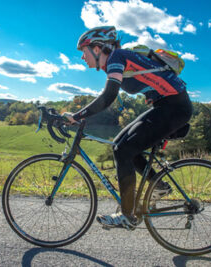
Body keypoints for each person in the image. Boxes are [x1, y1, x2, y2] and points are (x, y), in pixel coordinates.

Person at [63, 26, 193, 230]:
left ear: (97, 49)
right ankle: (158, 186)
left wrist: (77, 116)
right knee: (120, 146)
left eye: (83, 51)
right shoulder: (117, 61)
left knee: (123, 151)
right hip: (168, 106)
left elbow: (108, 96)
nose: (82, 57)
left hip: (174, 108)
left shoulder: (117, 57)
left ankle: (127, 214)